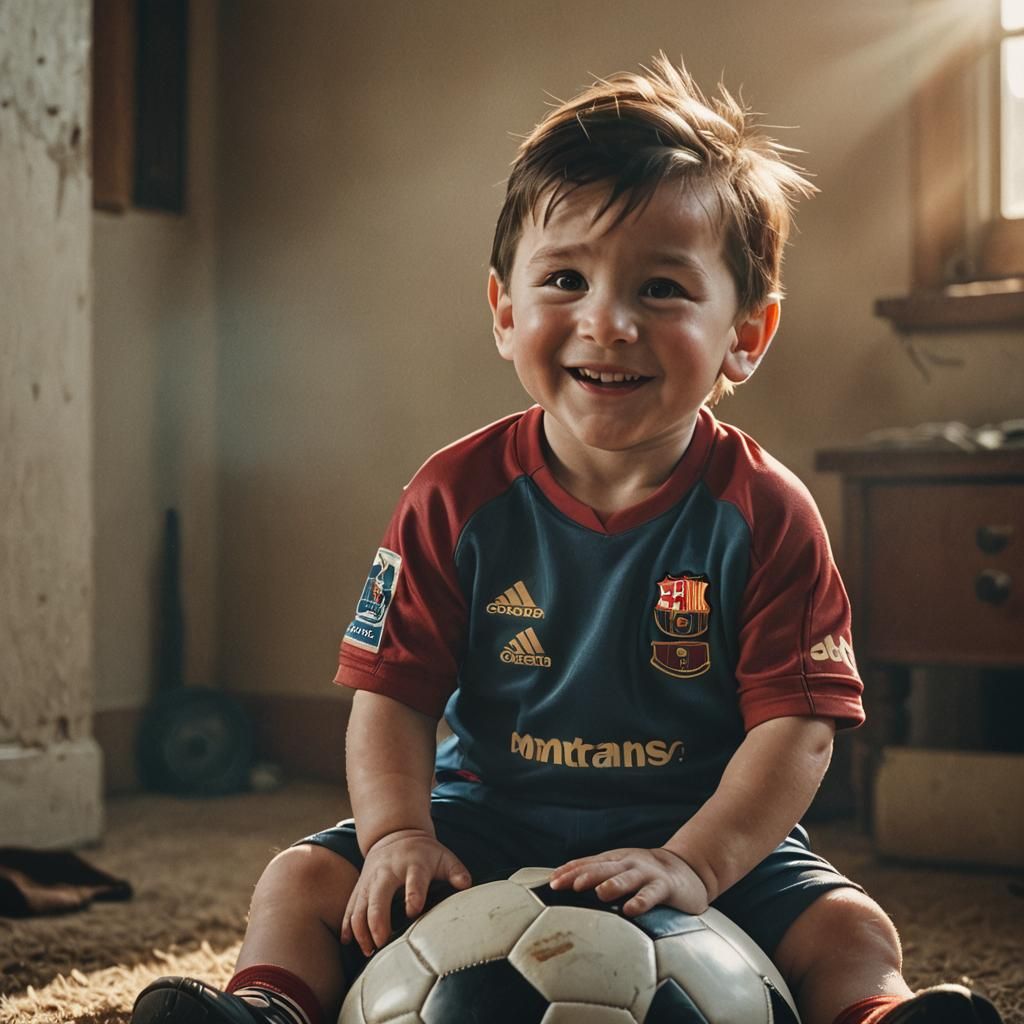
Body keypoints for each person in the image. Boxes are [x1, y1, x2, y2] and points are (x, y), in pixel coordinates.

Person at [131, 56, 1003, 1024]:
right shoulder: (452, 495)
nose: (607, 321)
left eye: (662, 288)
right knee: (298, 880)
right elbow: (392, 694)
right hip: (483, 815)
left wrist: (693, 861)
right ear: (506, 312)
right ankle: (268, 1009)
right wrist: (394, 835)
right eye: (565, 278)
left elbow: (796, 731)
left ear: (745, 335)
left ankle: (877, 1017)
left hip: (696, 827)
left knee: (853, 928)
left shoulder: (766, 512)